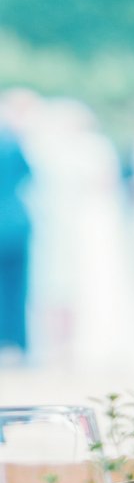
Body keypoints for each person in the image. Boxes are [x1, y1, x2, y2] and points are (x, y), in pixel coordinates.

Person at [0, 117, 32, 357]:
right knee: (17, 286)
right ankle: (17, 342)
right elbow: (28, 175)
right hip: (16, 221)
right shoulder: (12, 141)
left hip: (10, 222)